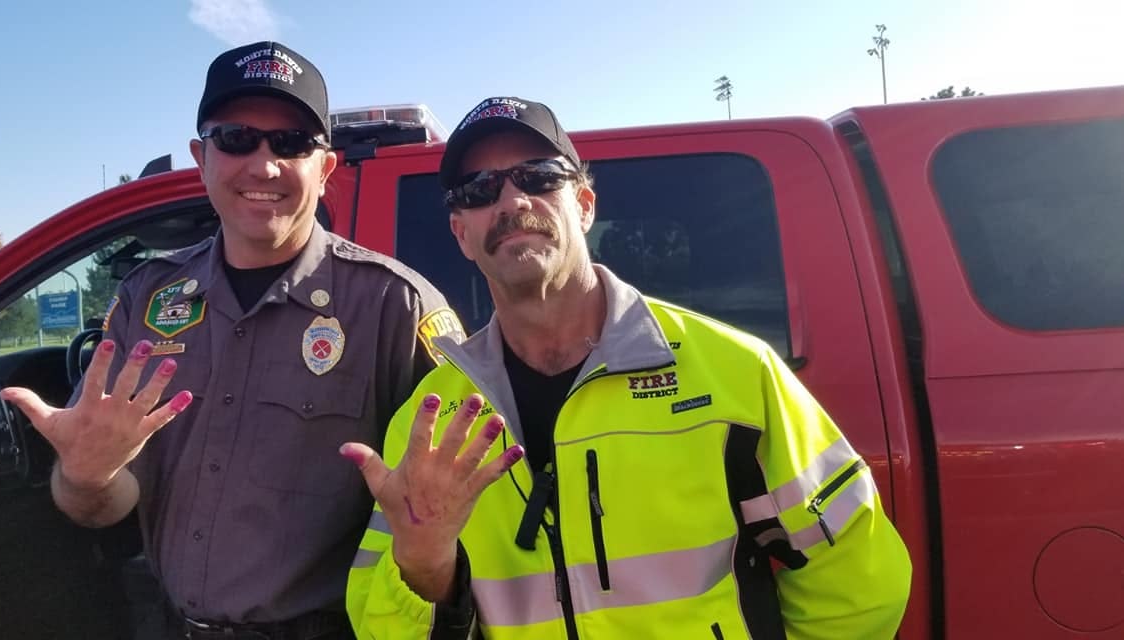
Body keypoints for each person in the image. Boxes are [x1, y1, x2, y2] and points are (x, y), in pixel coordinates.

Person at [342, 96, 913, 639]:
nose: (513, 201)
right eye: (480, 188)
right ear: (461, 234)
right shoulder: (428, 424)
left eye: (539, 176)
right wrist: (422, 567)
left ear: (584, 205)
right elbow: (378, 627)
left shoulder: (737, 374)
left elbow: (858, 582)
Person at [1, 41, 463, 640]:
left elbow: (460, 521)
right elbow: (102, 503)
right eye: (237, 138)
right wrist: (85, 478)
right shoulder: (147, 300)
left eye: (291, 142)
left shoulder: (396, 306)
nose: (263, 166)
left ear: (325, 169)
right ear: (202, 158)